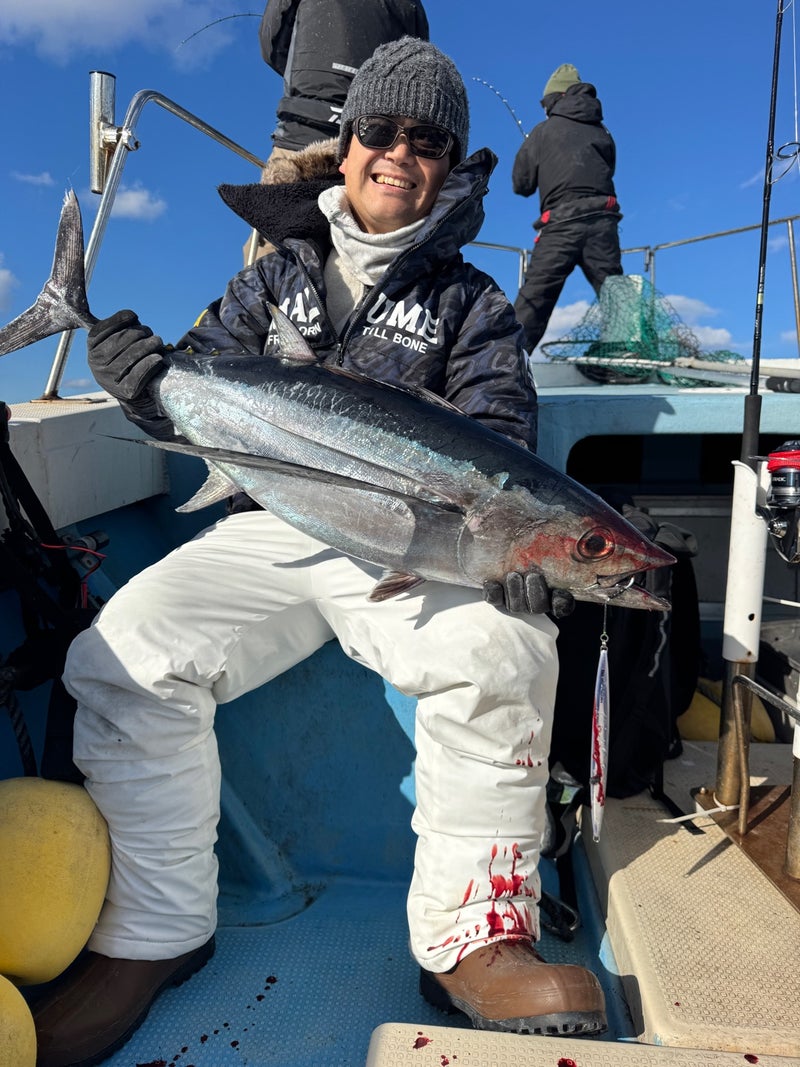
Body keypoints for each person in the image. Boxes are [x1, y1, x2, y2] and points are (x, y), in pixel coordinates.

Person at [32, 39, 606, 1067]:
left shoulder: (473, 304)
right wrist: (140, 380)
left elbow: (500, 447)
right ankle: (155, 930)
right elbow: (196, 392)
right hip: (270, 527)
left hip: (420, 551)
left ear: (450, 163)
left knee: (507, 652)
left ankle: (472, 937)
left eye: (427, 140)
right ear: (344, 148)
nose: (399, 154)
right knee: (123, 651)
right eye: (379, 131)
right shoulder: (272, 277)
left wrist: (518, 558)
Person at [245, 0, 429, 262]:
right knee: (364, 258)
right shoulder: (411, 4)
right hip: (372, 142)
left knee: (272, 255)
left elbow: (272, 48)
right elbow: (417, 69)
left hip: (301, 136)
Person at [512, 63, 623, 354]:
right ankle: (626, 353)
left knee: (535, 299)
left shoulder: (542, 132)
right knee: (613, 292)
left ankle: (506, 362)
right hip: (604, 222)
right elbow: (608, 169)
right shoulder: (603, 131)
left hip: (561, 224)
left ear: (556, 98)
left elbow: (521, 184)